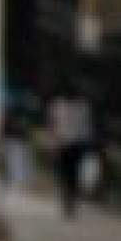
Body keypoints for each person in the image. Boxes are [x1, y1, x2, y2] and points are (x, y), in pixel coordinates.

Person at [48, 89, 96, 219]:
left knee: (72, 175)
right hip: (65, 144)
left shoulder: (82, 105)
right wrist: (53, 143)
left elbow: (87, 127)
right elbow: (53, 125)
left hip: (76, 145)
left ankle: (70, 202)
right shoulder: (59, 104)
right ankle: (68, 201)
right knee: (66, 175)